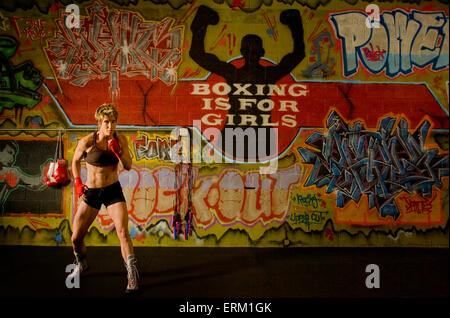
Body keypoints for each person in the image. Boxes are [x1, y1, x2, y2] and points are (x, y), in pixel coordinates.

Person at [190, 5, 305, 161]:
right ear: (243, 52)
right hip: (245, 139)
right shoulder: (263, 74)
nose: (251, 55)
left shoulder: (240, 74)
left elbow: (298, 55)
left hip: (252, 139)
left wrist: (201, 23)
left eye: (255, 52)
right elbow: (197, 54)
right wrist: (200, 23)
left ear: (261, 53)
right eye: (248, 51)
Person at [68, 103, 138, 293]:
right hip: (91, 192)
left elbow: (129, 165)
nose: (110, 126)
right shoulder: (87, 141)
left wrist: (119, 152)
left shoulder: (120, 139)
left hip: (113, 191)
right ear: (99, 123)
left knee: (123, 233)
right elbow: (74, 161)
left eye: (113, 122)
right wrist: (77, 182)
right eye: (106, 122)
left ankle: (132, 276)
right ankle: (81, 263)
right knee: (76, 238)